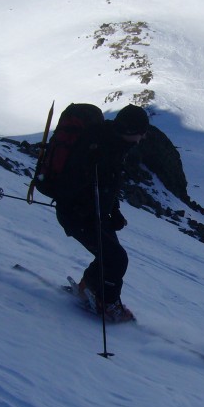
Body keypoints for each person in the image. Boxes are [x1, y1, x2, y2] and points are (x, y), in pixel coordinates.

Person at [54, 104, 149, 322]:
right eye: (140, 133)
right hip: (77, 214)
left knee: (110, 256)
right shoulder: (99, 147)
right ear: (128, 130)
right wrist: (86, 209)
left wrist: (113, 211)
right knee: (116, 258)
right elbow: (77, 182)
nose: (141, 138)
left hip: (93, 213)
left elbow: (108, 186)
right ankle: (108, 305)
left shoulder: (114, 145)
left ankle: (87, 287)